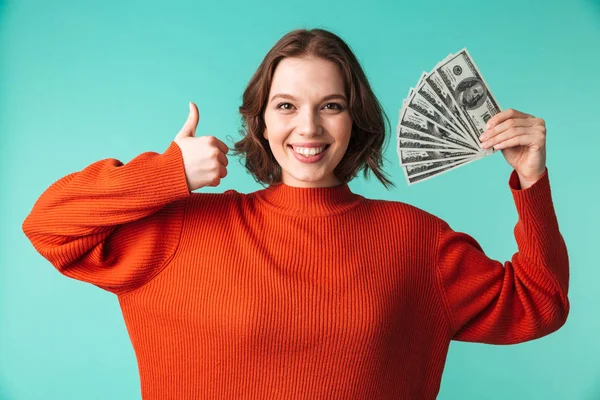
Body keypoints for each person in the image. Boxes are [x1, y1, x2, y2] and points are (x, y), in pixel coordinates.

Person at [21, 28, 570, 400]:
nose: (308, 128)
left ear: (354, 120)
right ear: (261, 122)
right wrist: (167, 175)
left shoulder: (413, 239)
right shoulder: (183, 228)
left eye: (330, 106)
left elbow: (538, 303)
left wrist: (531, 179)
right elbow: (48, 225)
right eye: (286, 106)